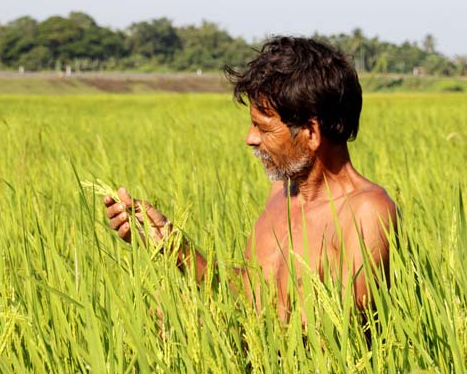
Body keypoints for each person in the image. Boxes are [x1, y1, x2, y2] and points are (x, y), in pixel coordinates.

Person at [104, 36, 397, 320]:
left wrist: (214, 323)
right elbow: (252, 293)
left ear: (311, 132)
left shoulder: (366, 212)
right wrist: (175, 247)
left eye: (264, 128)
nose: (250, 139)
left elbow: (338, 333)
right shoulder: (282, 190)